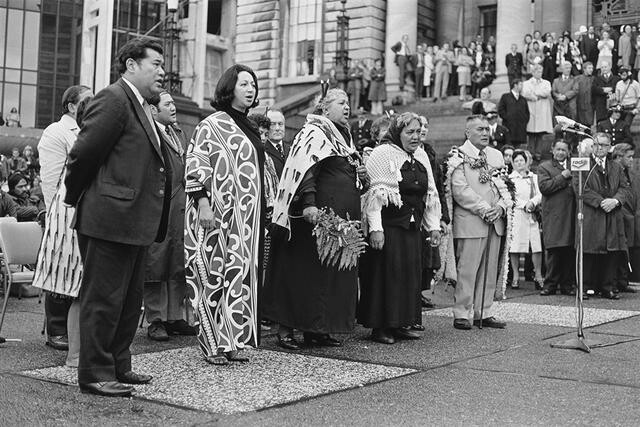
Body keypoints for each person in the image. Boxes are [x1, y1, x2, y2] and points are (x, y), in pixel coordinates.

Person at [64, 38, 169, 397]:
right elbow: (83, 155)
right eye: (155, 63)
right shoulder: (113, 99)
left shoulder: (139, 104)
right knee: (104, 299)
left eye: (162, 64)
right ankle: (94, 374)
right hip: (109, 219)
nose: (162, 71)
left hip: (135, 222)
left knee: (127, 302)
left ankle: (119, 365)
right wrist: (79, 198)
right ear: (130, 65)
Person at [265, 88, 366, 350]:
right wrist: (309, 204)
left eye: (348, 102)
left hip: (338, 221)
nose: (347, 107)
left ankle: (317, 329)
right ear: (324, 107)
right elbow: (306, 168)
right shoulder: (313, 132)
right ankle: (285, 330)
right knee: (302, 275)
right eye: (342, 102)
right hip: (313, 220)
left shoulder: (342, 136)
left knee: (326, 276)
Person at [184, 64, 264, 365]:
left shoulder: (249, 125)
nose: (250, 88)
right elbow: (196, 163)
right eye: (244, 83)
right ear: (229, 87)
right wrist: (203, 203)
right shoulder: (213, 124)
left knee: (238, 276)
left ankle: (231, 340)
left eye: (253, 83)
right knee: (214, 275)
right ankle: (210, 344)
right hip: (217, 214)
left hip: (245, 219)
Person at [358, 112, 441, 344]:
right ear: (398, 132)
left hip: (412, 227)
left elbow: (431, 195)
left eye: (418, 131)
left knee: (408, 275)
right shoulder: (382, 153)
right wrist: (376, 229)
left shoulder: (422, 156)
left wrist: (433, 226)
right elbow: (374, 195)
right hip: (389, 227)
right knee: (387, 276)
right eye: (409, 132)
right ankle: (381, 327)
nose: (415, 137)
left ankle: (401, 322)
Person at [34, 85, 92, 360]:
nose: (93, 104)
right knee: (61, 267)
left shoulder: (88, 129)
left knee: (78, 268)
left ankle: (72, 329)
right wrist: (53, 213)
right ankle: (56, 329)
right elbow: (51, 178)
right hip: (63, 208)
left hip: (85, 208)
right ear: (71, 106)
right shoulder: (56, 132)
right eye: (87, 100)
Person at [448, 115, 511, 330]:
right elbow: (460, 190)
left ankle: (484, 311)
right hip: (471, 220)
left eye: (487, 129)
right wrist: (485, 208)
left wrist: (501, 207)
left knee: (489, 268)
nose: (485, 133)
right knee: (468, 269)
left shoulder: (496, 155)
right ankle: (462, 312)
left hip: (495, 221)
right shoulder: (458, 155)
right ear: (468, 133)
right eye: (480, 129)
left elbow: (506, 186)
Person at [143, 91, 196, 342]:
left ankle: (174, 316)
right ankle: (155, 319)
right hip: (158, 205)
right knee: (155, 264)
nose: (173, 107)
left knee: (177, 261)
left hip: (180, 206)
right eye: (168, 104)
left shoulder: (178, 133)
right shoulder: (148, 134)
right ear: (154, 109)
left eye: (174, 103)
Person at [579, 132, 630, 299]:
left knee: (611, 251)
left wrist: (615, 201)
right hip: (592, 213)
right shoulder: (582, 163)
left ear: (609, 148)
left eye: (604, 145)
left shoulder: (616, 167)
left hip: (612, 214)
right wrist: (602, 202)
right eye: (597, 144)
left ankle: (608, 287)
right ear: (592, 146)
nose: (600, 148)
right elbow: (580, 188)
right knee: (589, 251)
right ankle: (585, 287)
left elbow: (624, 188)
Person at [538, 140, 576, 296]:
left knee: (569, 250)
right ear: (552, 150)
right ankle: (550, 284)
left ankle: (567, 285)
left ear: (568, 151)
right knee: (554, 250)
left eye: (564, 150)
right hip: (554, 215)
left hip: (571, 213)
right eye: (558, 149)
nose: (561, 152)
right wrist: (562, 176)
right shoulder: (544, 167)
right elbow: (544, 187)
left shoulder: (575, 165)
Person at [508, 150, 543, 289]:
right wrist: (524, 205)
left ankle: (538, 275)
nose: (519, 163)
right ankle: (516, 276)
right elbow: (510, 197)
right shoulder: (509, 179)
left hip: (532, 214)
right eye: (516, 161)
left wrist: (533, 203)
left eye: (521, 160)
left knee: (536, 246)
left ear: (526, 161)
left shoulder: (533, 177)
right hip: (517, 215)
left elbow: (540, 193)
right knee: (515, 246)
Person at [611, 143, 636, 293]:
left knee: (625, 250)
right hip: (618, 214)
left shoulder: (630, 173)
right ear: (619, 157)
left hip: (629, 216)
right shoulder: (613, 171)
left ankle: (622, 280)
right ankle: (614, 281)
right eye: (629, 157)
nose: (632, 160)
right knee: (617, 250)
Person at [522, 64, 553, 160]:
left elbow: (546, 92)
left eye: (541, 71)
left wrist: (535, 93)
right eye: (538, 71)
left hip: (542, 109)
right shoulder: (526, 83)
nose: (540, 73)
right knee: (531, 133)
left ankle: (538, 153)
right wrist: (536, 95)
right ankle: (530, 153)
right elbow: (525, 93)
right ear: (533, 72)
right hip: (531, 109)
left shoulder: (546, 82)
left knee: (540, 133)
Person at [498, 79, 530, 148]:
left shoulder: (523, 99)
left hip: (520, 128)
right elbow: (501, 110)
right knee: (508, 145)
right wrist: (507, 118)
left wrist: (524, 121)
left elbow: (527, 112)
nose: (522, 87)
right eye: (520, 84)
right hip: (509, 126)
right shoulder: (505, 97)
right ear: (515, 85)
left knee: (518, 146)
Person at [264, 109, 290, 178]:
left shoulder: (291, 149)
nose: (277, 128)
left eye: (280, 124)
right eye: (273, 124)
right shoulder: (262, 151)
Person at [575, 61, 595, 127]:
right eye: (589, 68)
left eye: (592, 68)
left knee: (588, 125)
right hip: (579, 105)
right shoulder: (578, 78)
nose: (591, 70)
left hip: (590, 105)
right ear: (584, 69)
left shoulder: (594, 79)